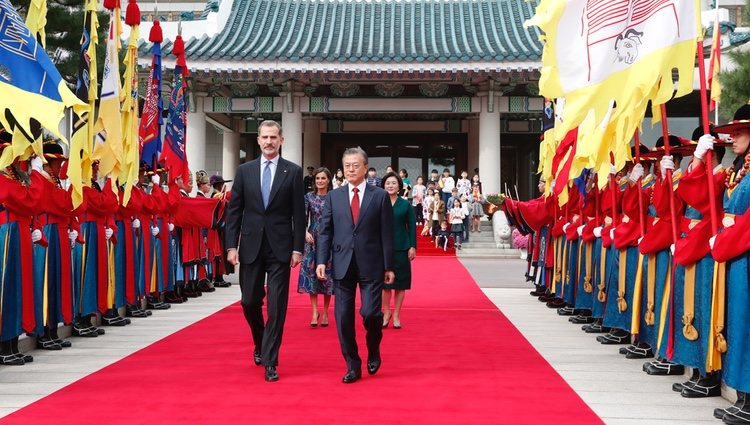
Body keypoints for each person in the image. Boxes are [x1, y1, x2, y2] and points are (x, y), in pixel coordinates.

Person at [225, 120, 305, 383]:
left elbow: (298, 214)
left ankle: (271, 359)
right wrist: (231, 245)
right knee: (249, 301)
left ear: (281, 140)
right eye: (265, 137)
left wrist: (297, 248)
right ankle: (260, 342)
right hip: (250, 245)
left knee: (277, 305)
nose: (269, 142)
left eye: (274, 137)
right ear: (258, 140)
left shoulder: (292, 172)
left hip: (281, 248)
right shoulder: (245, 171)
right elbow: (234, 210)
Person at [316, 146, 394, 384]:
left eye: (355, 165)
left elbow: (387, 234)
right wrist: (321, 260)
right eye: (347, 166)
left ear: (365, 168)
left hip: (371, 264)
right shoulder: (334, 196)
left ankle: (374, 348)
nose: (350, 169)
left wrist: (389, 266)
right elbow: (325, 231)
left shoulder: (379, 196)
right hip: (342, 264)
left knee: (371, 314)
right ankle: (352, 363)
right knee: (342, 318)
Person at [298, 167, 334, 327]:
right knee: (311, 273)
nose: (320, 181)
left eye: (323, 178)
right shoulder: (308, 197)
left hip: (330, 238)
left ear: (328, 180)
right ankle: (314, 311)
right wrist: (305, 232)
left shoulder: (334, 197)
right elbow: (302, 218)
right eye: (318, 178)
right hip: (312, 238)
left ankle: (325, 311)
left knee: (327, 275)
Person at [381, 172, 416, 330]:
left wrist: (412, 246)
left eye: (394, 183)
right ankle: (386, 312)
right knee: (384, 284)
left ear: (399, 186)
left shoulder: (405, 204)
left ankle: (396, 314)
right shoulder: (378, 202)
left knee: (400, 283)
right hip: (381, 248)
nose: (390, 186)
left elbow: (412, 226)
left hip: (402, 247)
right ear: (383, 185)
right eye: (388, 183)